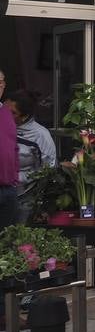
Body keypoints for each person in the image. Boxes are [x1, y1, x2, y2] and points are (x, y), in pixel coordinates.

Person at [5, 90, 57, 225]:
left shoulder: (40, 135)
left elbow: (48, 170)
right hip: (3, 192)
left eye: (13, 113)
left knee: (15, 239)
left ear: (24, 116)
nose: (6, 115)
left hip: (24, 197)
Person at [0, 71, 19, 229]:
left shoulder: (6, 113)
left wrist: (14, 179)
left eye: (1, 81)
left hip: (8, 189)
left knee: (7, 244)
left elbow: (13, 148)